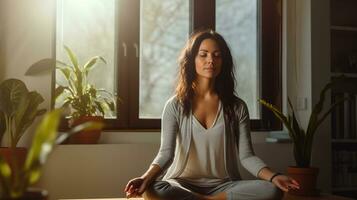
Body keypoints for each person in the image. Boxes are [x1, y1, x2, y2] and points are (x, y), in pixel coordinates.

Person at [124, 29, 300, 200]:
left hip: (225, 185)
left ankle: (207, 199)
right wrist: (145, 178)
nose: (211, 60)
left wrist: (274, 176)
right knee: (154, 189)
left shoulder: (237, 107)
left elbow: (247, 156)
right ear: (192, 59)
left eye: (217, 55)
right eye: (203, 54)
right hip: (182, 184)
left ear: (223, 62)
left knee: (272, 190)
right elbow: (166, 153)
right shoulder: (174, 106)